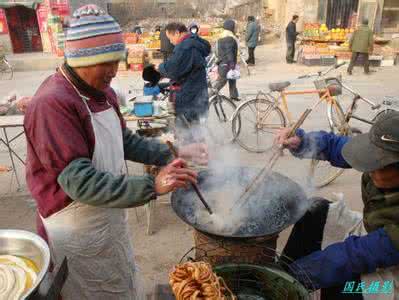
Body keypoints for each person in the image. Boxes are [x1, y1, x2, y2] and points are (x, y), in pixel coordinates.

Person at [24, 5, 207, 299]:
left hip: (106, 215)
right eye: (105, 63)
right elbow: (80, 182)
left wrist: (171, 152)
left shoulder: (102, 91)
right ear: (81, 60)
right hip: (74, 228)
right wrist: (153, 184)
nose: (113, 71)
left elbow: (124, 140)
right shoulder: (53, 104)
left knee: (119, 281)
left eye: (116, 61)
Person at [276, 112, 399, 298]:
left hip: (392, 273)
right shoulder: (380, 164)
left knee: (344, 288)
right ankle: (280, 277)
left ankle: (285, 281)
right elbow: (338, 146)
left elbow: (360, 254)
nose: (370, 168)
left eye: (379, 163)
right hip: (376, 235)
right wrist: (302, 141)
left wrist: (299, 274)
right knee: (316, 208)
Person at [158, 22, 211, 124]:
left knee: (187, 131)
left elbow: (173, 68)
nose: (171, 42)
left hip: (188, 97)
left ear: (177, 33)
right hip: (197, 93)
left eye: (170, 38)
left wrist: (160, 68)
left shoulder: (185, 47)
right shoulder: (195, 42)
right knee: (195, 129)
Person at [212, 19, 239, 101]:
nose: (235, 28)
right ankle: (210, 95)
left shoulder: (221, 37)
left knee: (232, 78)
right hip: (226, 63)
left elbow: (216, 51)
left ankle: (234, 95)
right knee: (222, 81)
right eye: (234, 26)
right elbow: (229, 52)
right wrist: (231, 64)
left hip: (223, 62)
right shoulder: (229, 38)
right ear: (231, 27)